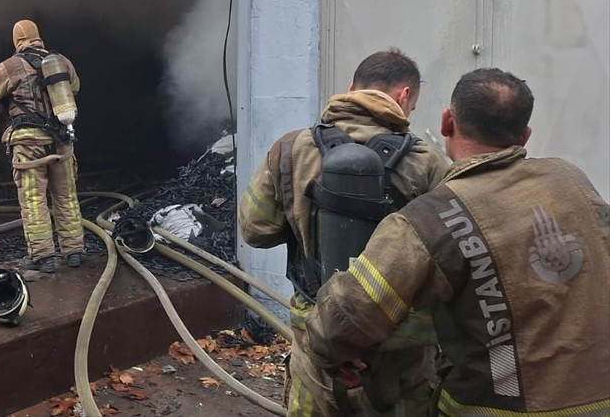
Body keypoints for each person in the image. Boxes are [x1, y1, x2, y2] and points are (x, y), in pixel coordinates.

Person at [303, 68, 610, 416]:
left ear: (448, 122)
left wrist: (329, 350)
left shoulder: (428, 219)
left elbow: (344, 319)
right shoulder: (572, 181)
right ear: (524, 136)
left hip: (496, 406)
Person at [240, 49, 448, 415]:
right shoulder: (428, 162)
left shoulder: (288, 149)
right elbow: (446, 259)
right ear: (403, 97)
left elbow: (256, 230)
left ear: (351, 89)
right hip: (402, 348)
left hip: (318, 337)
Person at [0, 20, 82, 274]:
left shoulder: (11, 65)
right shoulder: (62, 61)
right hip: (61, 139)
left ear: (17, 41)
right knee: (66, 196)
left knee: (34, 199)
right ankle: (74, 251)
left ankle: (43, 255)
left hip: (29, 142)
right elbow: (75, 88)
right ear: (38, 37)